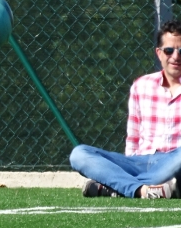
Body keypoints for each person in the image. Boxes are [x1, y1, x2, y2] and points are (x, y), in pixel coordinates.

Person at [70, 19, 181, 199]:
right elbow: (133, 137)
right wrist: (128, 164)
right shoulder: (141, 85)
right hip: (138, 162)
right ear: (159, 53)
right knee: (79, 154)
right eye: (169, 50)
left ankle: (115, 186)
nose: (176, 56)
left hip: (175, 161)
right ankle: (143, 190)